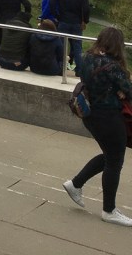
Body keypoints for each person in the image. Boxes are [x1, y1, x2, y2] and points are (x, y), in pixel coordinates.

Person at [61, 27, 132, 226]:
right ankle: (109, 210)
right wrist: (122, 92)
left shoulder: (86, 58)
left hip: (89, 114)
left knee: (110, 156)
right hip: (109, 118)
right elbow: (129, 91)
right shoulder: (113, 67)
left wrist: (118, 90)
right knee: (115, 160)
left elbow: (90, 82)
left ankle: (75, 184)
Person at [48, 0, 90, 72]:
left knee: (60, 45)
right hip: (77, 22)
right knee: (77, 47)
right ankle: (79, 70)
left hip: (63, 20)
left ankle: (61, 67)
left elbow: (51, 2)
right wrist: (85, 20)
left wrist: (56, 16)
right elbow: (86, 9)